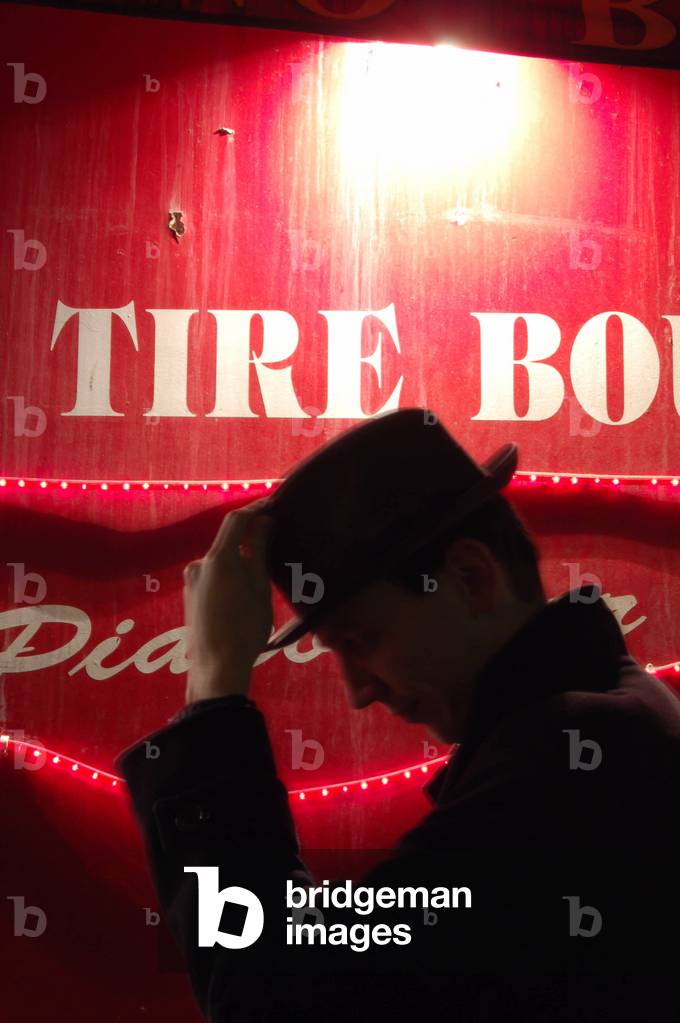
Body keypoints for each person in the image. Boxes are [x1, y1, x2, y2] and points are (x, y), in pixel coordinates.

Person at [116, 407, 680, 1022]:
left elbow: (271, 997)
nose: (358, 692)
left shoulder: (573, 760)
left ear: (470, 576)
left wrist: (215, 686)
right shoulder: (598, 729)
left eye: (361, 638)